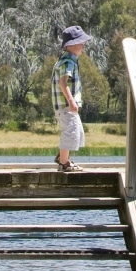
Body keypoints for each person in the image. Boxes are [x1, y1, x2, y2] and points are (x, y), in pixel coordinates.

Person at [51, 25, 91, 172]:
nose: (83, 46)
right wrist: (71, 101)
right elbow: (63, 82)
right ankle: (63, 163)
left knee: (77, 132)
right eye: (80, 43)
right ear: (70, 45)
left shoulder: (69, 60)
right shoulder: (67, 62)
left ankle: (63, 157)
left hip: (67, 106)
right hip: (66, 106)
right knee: (71, 131)